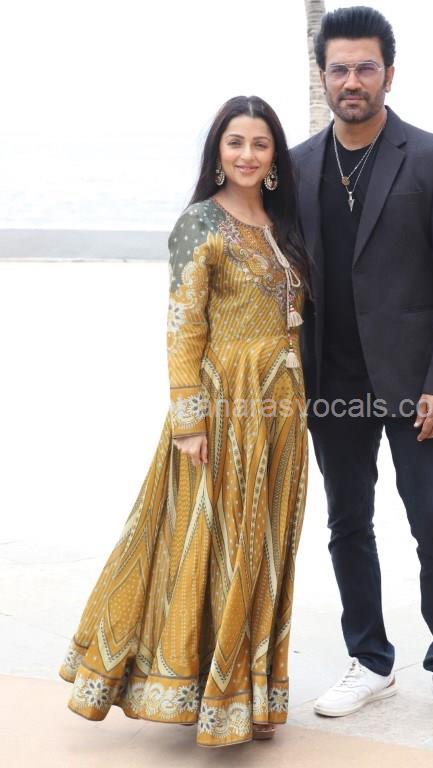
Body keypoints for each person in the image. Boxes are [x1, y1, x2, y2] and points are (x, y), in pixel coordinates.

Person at [59, 96, 308, 747]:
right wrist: (188, 420)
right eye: (236, 142)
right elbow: (183, 324)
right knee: (211, 544)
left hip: (282, 413)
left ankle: (251, 694)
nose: (248, 154)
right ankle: (206, 694)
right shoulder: (200, 223)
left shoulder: (282, 223)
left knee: (265, 549)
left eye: (260, 143)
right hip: (223, 410)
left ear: (275, 156)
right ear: (218, 152)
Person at [291, 7, 433, 743]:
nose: (352, 80)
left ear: (389, 75)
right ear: (323, 76)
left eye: (365, 67)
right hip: (331, 384)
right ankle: (369, 660)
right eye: (339, 68)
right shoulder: (297, 166)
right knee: (347, 523)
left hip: (415, 387)